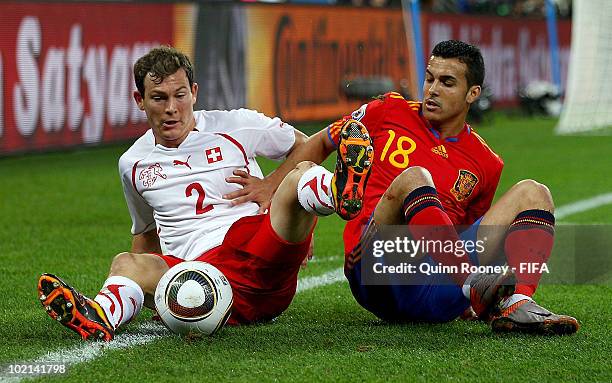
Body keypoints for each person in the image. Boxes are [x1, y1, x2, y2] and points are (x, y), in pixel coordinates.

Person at [37, 46, 374, 341]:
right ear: (140, 101)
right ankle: (101, 316)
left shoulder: (236, 125)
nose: (171, 108)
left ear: (194, 93)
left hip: (256, 250)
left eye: (179, 95)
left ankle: (337, 194)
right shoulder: (132, 164)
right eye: (159, 98)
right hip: (199, 278)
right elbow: (146, 235)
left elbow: (303, 144)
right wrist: (144, 287)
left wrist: (273, 188)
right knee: (126, 262)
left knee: (300, 174)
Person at [270, 40, 579, 334]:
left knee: (534, 192)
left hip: (437, 288)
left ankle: (518, 303)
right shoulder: (388, 111)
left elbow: (472, 235)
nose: (432, 90)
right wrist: (273, 188)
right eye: (429, 78)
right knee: (414, 176)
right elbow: (324, 140)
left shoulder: (487, 163)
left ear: (473, 93)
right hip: (378, 269)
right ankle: (473, 283)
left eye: (447, 82)